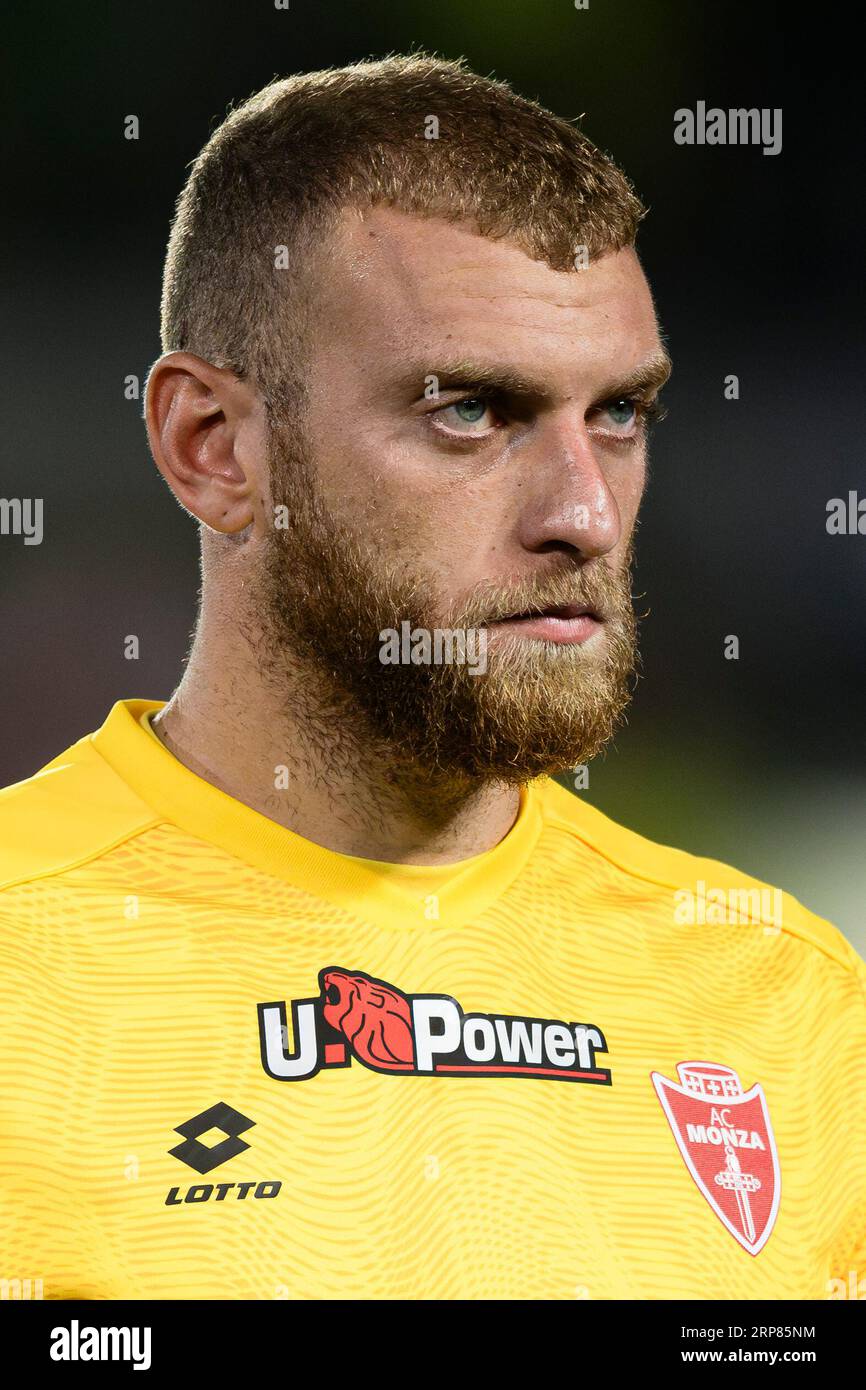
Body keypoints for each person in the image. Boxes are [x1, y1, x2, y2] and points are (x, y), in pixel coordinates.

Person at [1, 54, 863, 1300]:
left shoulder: (784, 999)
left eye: (618, 415)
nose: (583, 513)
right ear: (214, 448)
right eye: (468, 410)